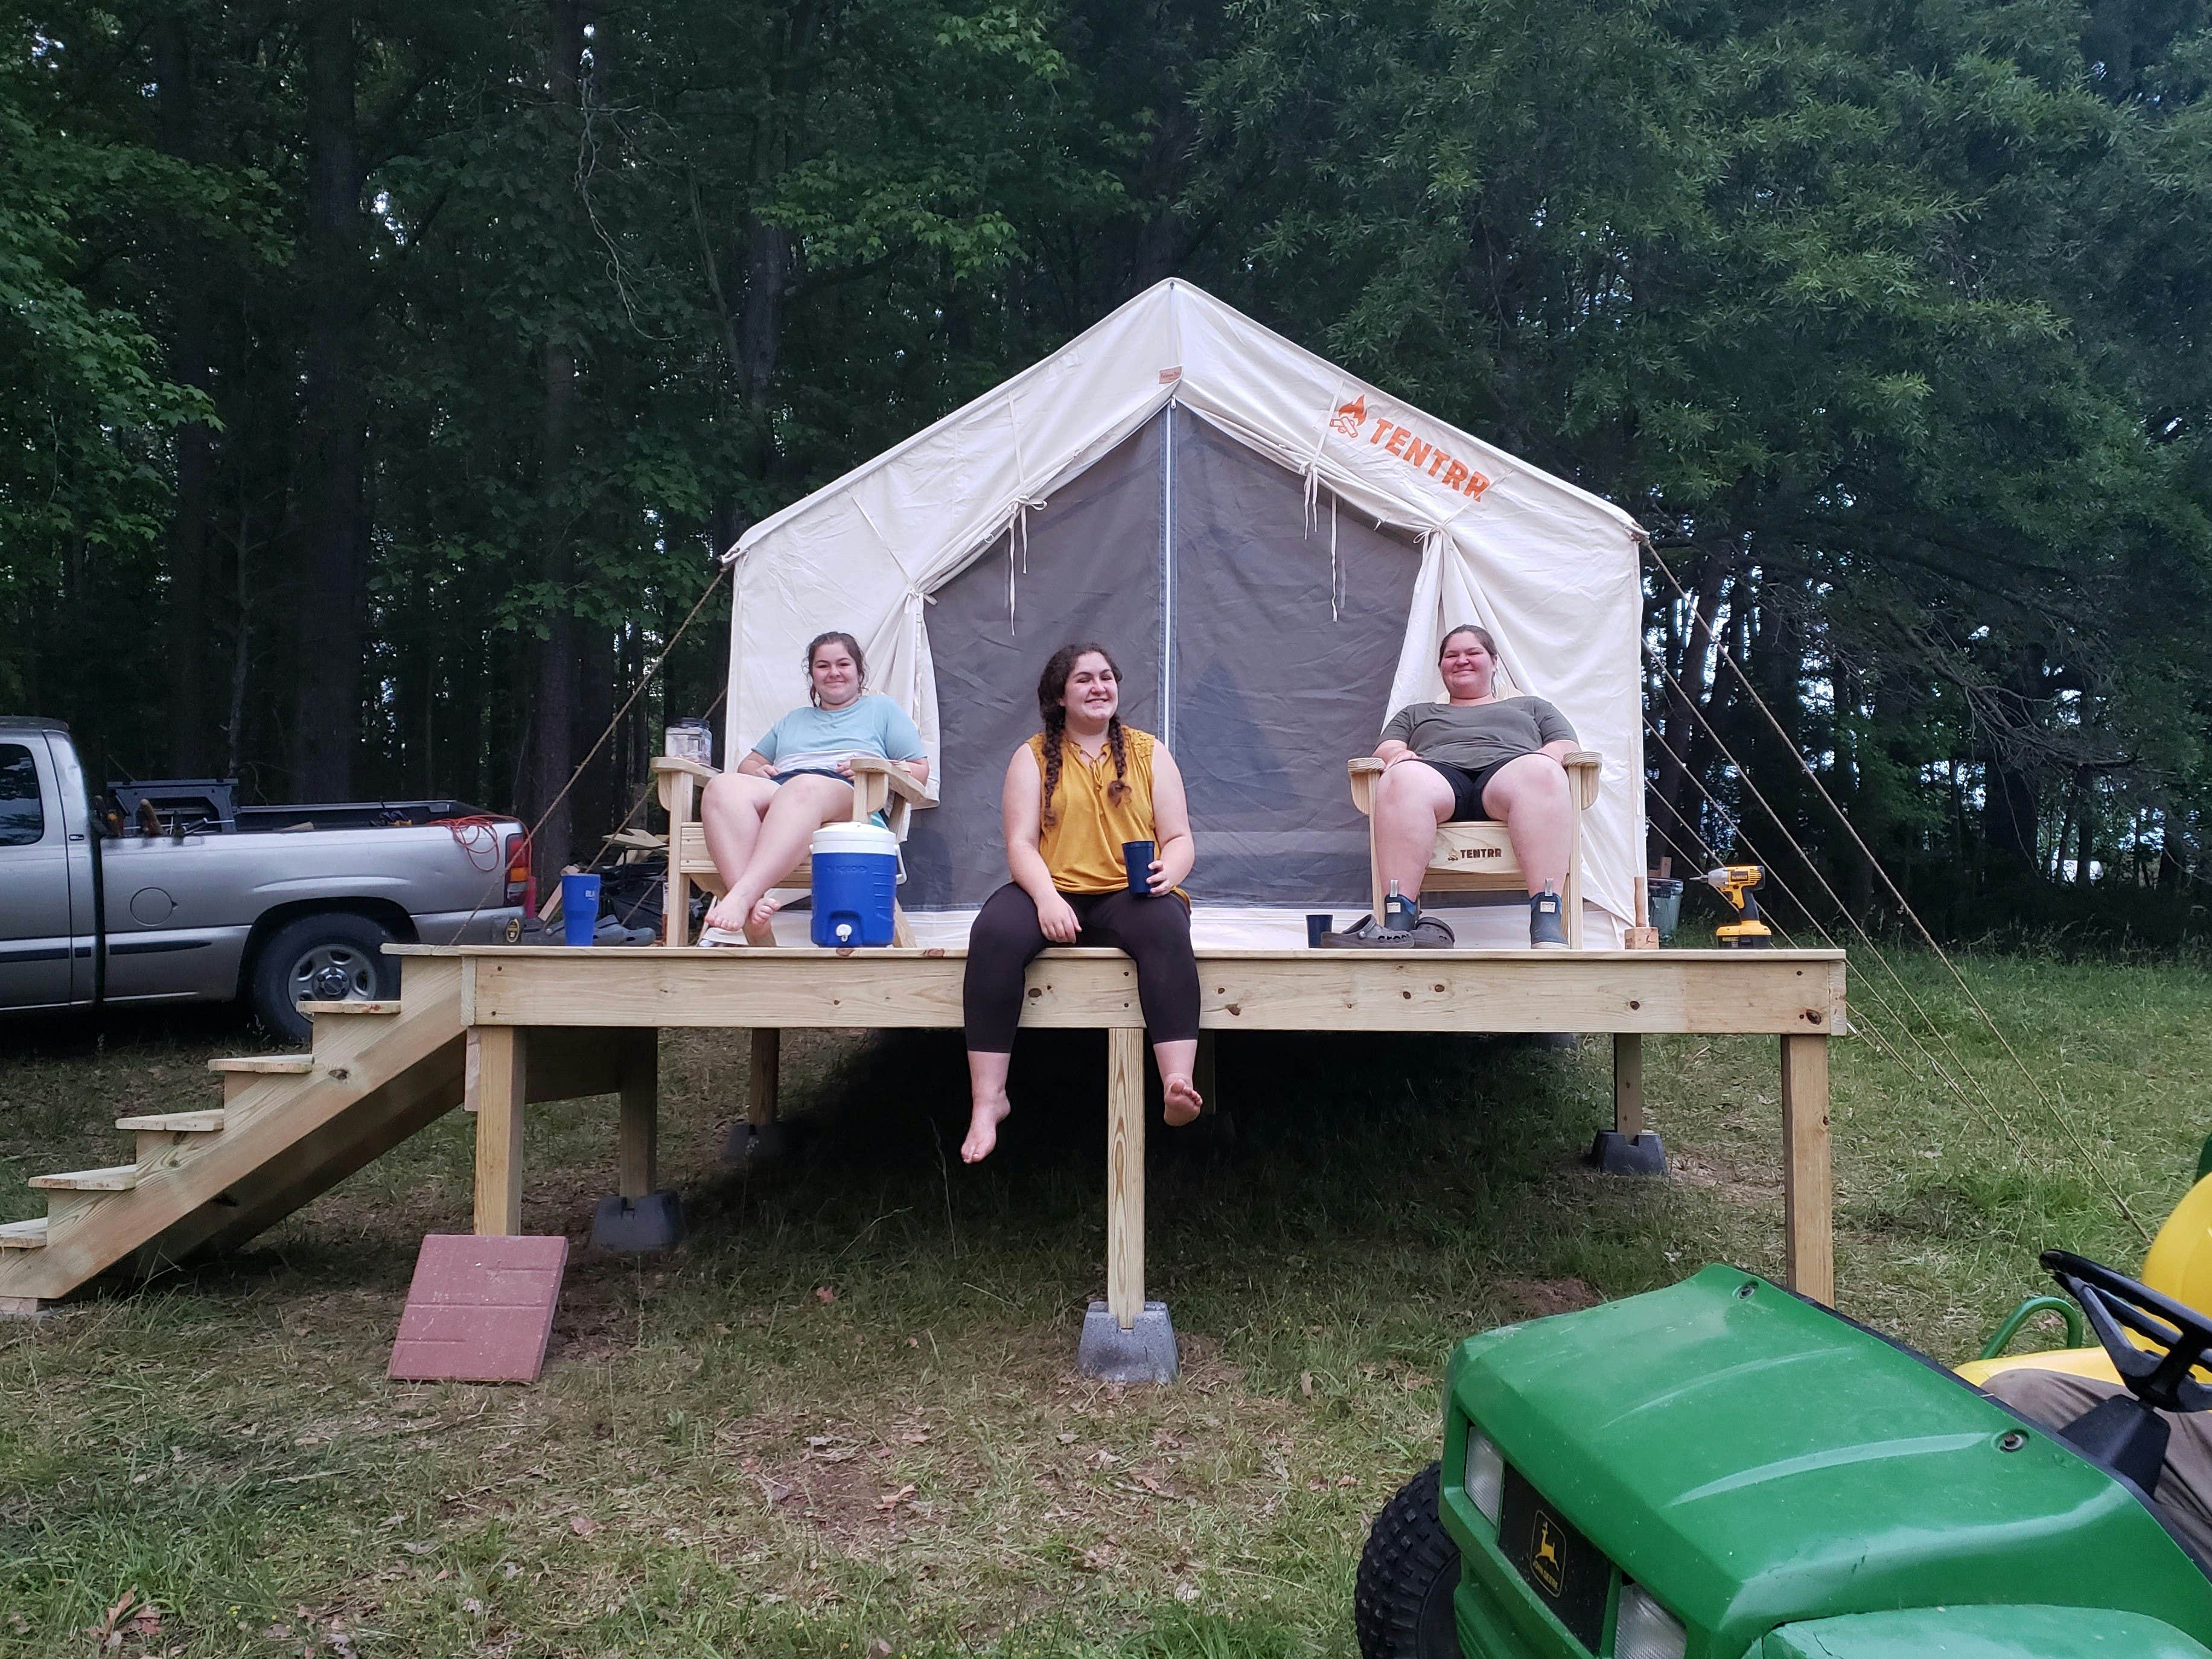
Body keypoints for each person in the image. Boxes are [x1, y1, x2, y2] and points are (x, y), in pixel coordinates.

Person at [960, 642, 1202, 1163]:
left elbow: (1180, 836)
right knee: (994, 932)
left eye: (1107, 677)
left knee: (1164, 926)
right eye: (1084, 679)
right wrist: (1046, 897)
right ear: (1059, 696)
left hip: (1128, 892)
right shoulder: (1031, 756)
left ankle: (1176, 1083)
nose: (1099, 687)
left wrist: (1170, 871)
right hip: (1053, 889)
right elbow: (1020, 844)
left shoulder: (1148, 751)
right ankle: (988, 1100)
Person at [1339, 623, 1578, 950]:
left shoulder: (1533, 708)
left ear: (1494, 662)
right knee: (1399, 777)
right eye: (1452, 655)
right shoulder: (1416, 714)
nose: (1461, 660)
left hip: (1509, 777)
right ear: (1441, 668)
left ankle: (1547, 917)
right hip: (1438, 778)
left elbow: (1566, 745)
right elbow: (1386, 749)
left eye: (1473, 653)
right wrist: (1399, 753)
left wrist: (1545, 757)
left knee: (1544, 771)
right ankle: (1398, 919)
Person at [696, 630, 928, 945]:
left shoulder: (882, 711)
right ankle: (753, 914)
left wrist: (882, 769)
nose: (833, 672)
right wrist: (758, 769)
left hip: (850, 798)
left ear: (859, 671)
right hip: (785, 796)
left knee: (802, 787)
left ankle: (742, 896)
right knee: (722, 786)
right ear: (812, 675)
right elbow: (748, 765)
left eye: (843, 664)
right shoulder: (794, 720)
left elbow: (920, 771)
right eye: (823, 666)